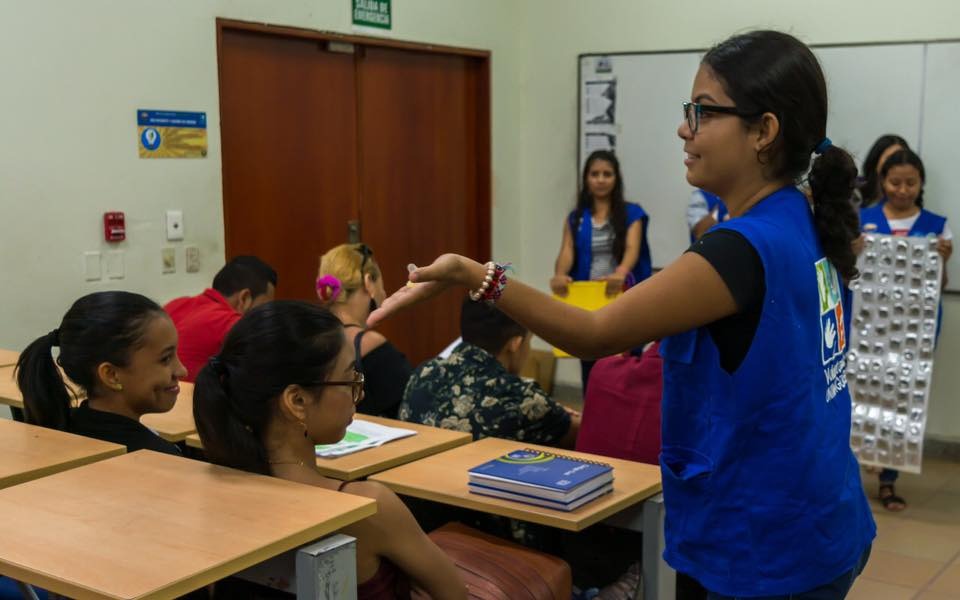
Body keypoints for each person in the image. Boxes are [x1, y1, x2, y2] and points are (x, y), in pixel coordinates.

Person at [370, 30, 875, 599]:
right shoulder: (807, 219)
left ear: (764, 130)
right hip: (821, 517)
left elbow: (593, 333)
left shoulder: (741, 250)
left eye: (703, 112)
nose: (685, 129)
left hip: (762, 543)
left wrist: (476, 276)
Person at [192, 301, 465, 600]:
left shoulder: (214, 492)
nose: (357, 393)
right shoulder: (367, 507)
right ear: (297, 401)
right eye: (349, 378)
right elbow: (454, 593)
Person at [859, 148, 951, 512]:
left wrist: (943, 260)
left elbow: (940, 284)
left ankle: (888, 481)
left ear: (921, 184)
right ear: (882, 182)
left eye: (910, 182)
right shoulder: (861, 219)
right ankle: (853, 473)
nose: (902, 189)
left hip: (913, 330)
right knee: (862, 397)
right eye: (895, 182)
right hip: (866, 326)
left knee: (901, 401)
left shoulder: (936, 224)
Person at [15, 291, 186, 455]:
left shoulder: (63, 428)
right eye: (165, 359)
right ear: (111, 375)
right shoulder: (157, 458)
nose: (182, 370)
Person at [400, 298, 579, 448]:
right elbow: (585, 433)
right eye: (528, 341)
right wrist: (551, 409)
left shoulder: (424, 372)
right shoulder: (520, 397)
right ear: (515, 344)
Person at [550, 150, 652, 390]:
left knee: (623, 364)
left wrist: (621, 272)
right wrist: (559, 274)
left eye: (607, 174)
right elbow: (567, 250)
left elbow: (632, 248)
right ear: (586, 178)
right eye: (595, 174)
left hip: (620, 295)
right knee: (590, 363)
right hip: (588, 299)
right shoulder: (576, 217)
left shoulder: (632, 213)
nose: (601, 179)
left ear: (616, 178)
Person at [316, 243, 412, 418]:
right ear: (369, 282)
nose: (384, 291)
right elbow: (412, 399)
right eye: (381, 282)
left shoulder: (315, 338)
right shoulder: (369, 344)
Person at [165, 255, 277, 382]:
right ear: (244, 298)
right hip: (191, 399)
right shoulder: (232, 323)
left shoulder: (176, 305)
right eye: (264, 308)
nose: (265, 315)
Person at [857, 134, 909, 208]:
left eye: (900, 159)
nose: (895, 164)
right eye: (889, 158)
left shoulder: (906, 196)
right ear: (876, 160)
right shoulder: (855, 190)